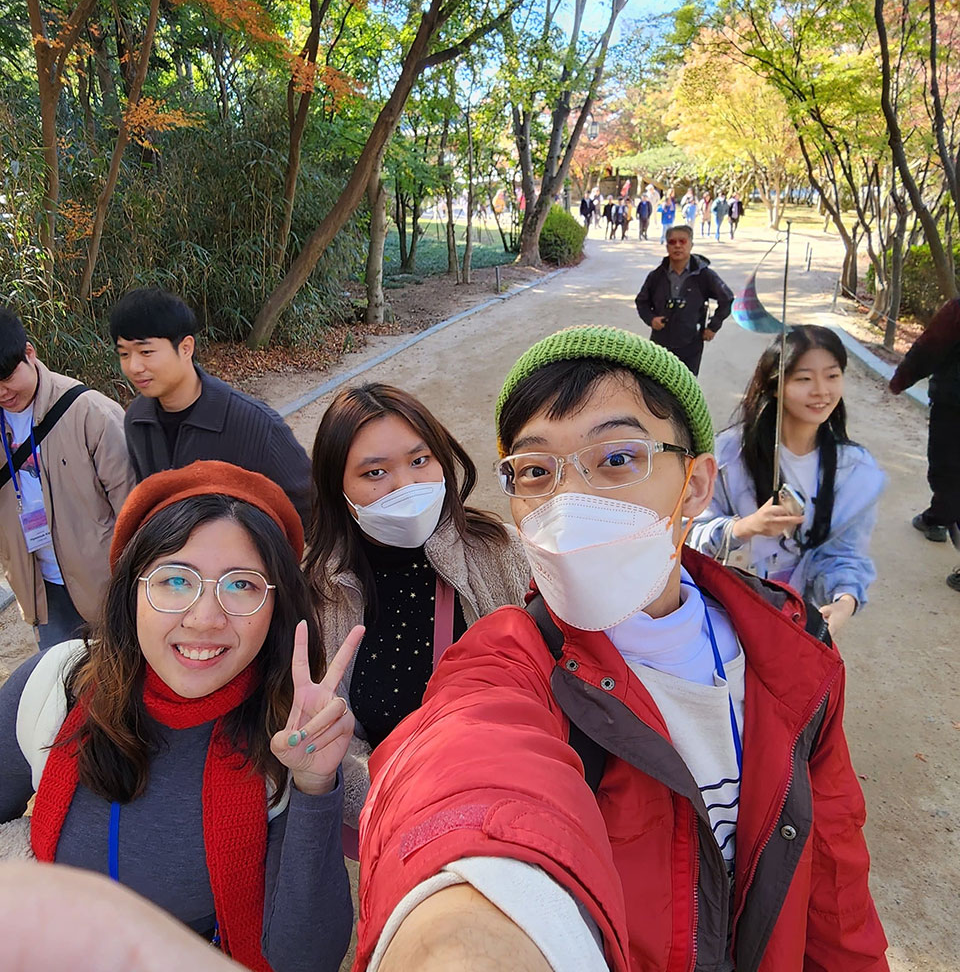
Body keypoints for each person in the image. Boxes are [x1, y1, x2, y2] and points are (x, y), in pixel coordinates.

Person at [352, 325, 888, 972]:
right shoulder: (511, 660)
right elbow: (461, 768)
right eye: (535, 471)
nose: (571, 499)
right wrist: (460, 930)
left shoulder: (793, 650)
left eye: (615, 459)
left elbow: (834, 896)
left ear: (694, 486)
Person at [0, 461, 357, 972]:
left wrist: (316, 786)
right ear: (133, 590)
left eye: (241, 586)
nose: (205, 618)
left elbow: (304, 960)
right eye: (174, 580)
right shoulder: (54, 689)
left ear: (276, 608)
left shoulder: (286, 737)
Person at [303, 382, 528, 827]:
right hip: (398, 829)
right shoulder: (320, 593)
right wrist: (419, 808)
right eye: (374, 473)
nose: (405, 485)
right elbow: (332, 747)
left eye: (420, 460)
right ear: (338, 490)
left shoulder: (503, 551)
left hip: (515, 814)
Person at [688, 326, 884, 635]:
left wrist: (845, 601)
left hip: (796, 623)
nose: (821, 390)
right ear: (775, 385)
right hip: (724, 611)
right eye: (804, 379)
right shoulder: (727, 455)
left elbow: (846, 554)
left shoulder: (854, 469)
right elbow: (688, 533)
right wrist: (745, 527)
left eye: (832, 376)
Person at [110, 288, 311, 525]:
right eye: (124, 354)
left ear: (186, 348)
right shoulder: (136, 420)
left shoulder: (255, 424)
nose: (133, 367)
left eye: (146, 352)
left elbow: (310, 509)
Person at [0, 308, 134, 649]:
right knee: (60, 687)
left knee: (120, 685)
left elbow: (133, 506)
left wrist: (132, 584)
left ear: (29, 354)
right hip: (41, 590)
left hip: (107, 586)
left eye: (7, 376)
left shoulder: (89, 412)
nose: (2, 392)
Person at [889, 297, 960, 587]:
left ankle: (939, 517)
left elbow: (930, 347)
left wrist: (900, 380)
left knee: (947, 469)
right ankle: (937, 518)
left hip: (954, 405)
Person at [634, 224, 734, 375]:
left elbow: (727, 298)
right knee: (657, 385)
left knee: (686, 386)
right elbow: (642, 301)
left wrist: (713, 326)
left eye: (683, 241)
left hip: (691, 342)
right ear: (667, 246)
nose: (678, 246)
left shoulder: (704, 275)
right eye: (672, 242)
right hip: (660, 342)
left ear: (691, 245)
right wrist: (651, 319)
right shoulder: (656, 276)